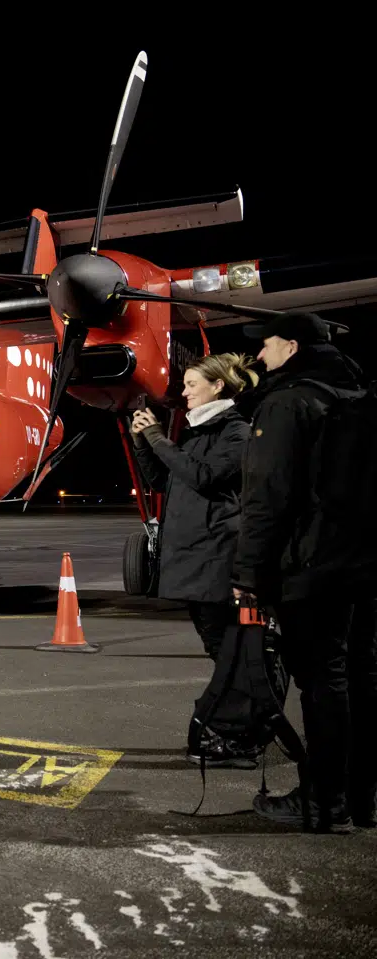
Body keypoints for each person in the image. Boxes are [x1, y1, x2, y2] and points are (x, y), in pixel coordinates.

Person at [230, 312, 377, 832]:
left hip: (312, 568)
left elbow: (267, 496)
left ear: (291, 347)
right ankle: (362, 798)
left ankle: (324, 802)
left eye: (266, 346)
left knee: (321, 682)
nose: (260, 356)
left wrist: (248, 573)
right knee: (361, 677)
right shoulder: (359, 396)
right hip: (363, 564)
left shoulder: (289, 402)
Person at [130, 353, 259, 766]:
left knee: (229, 653)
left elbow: (204, 476)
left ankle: (240, 739)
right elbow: (166, 480)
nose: (183, 393)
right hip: (195, 559)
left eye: (191, 385)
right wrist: (142, 442)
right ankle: (233, 730)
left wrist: (157, 439)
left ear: (218, 387)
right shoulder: (200, 431)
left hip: (216, 558)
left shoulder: (236, 431)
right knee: (219, 649)